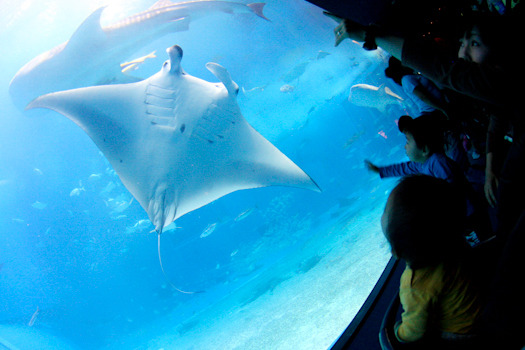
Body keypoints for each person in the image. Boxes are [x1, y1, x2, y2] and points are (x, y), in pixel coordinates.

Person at [381, 175, 483, 348]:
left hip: (463, 334)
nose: (383, 213)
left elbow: (414, 331)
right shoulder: (453, 241)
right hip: (484, 305)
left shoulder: (415, 285)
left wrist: (398, 331)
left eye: (385, 211)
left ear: (395, 252)